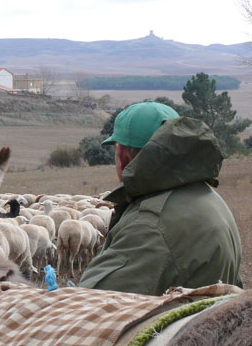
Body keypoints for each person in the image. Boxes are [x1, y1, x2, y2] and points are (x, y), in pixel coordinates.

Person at [79, 100, 243, 295]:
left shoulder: (149, 227)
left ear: (123, 157)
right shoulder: (209, 197)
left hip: (178, 324)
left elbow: (92, 302)